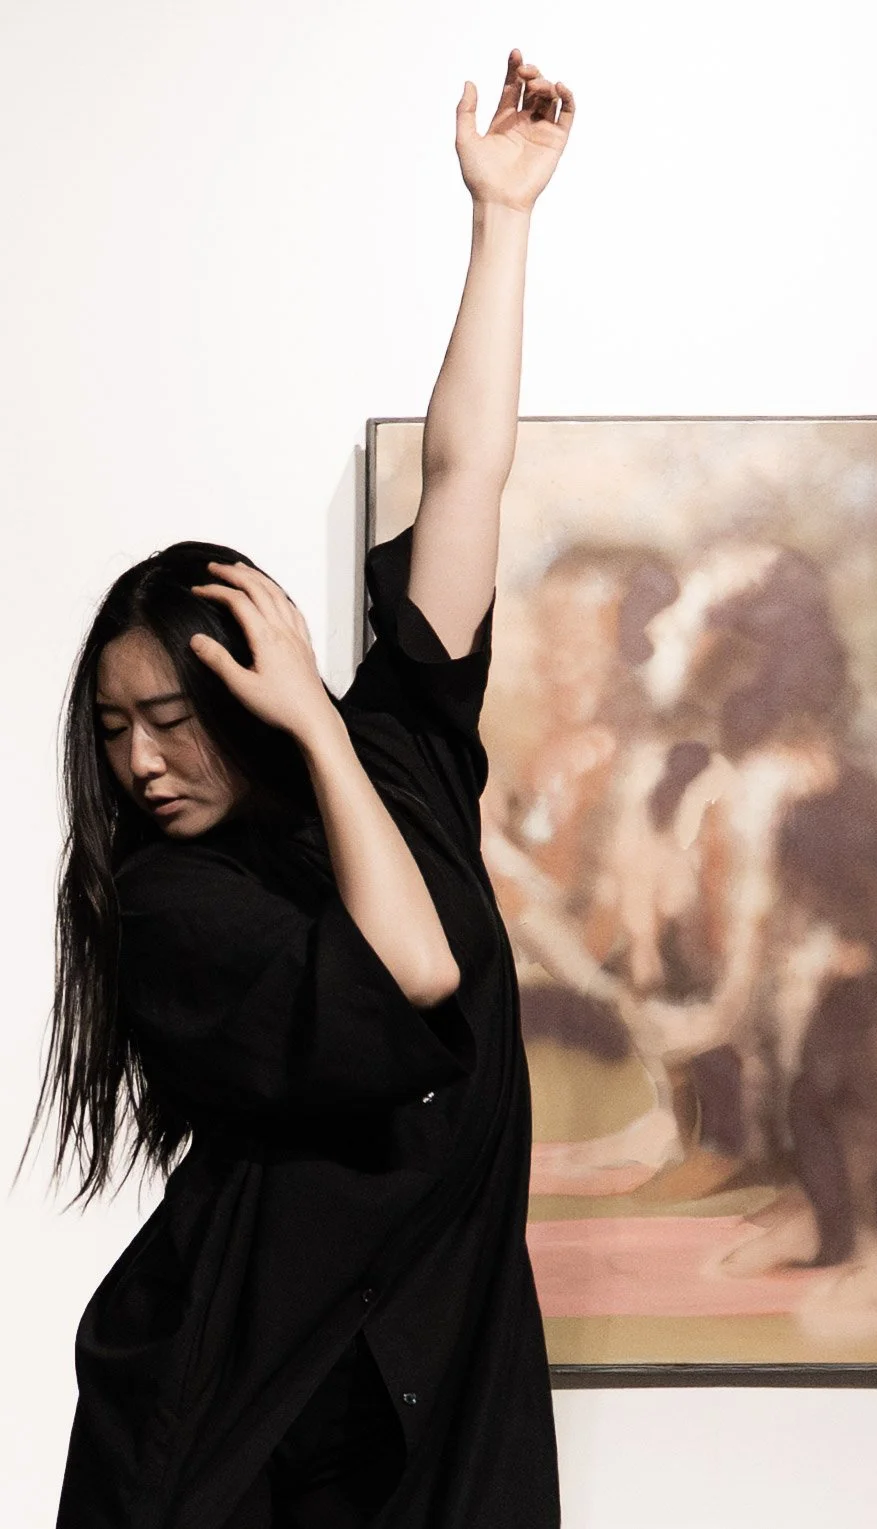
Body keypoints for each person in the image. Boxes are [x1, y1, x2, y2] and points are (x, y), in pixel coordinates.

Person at [19, 47, 575, 1529]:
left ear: (245, 697)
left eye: (172, 721)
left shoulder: (399, 759)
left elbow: (463, 477)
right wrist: (324, 743)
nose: (138, 763)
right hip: (249, 1428)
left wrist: (502, 220)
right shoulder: (174, 911)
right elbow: (415, 975)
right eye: (111, 732)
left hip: (443, 1393)